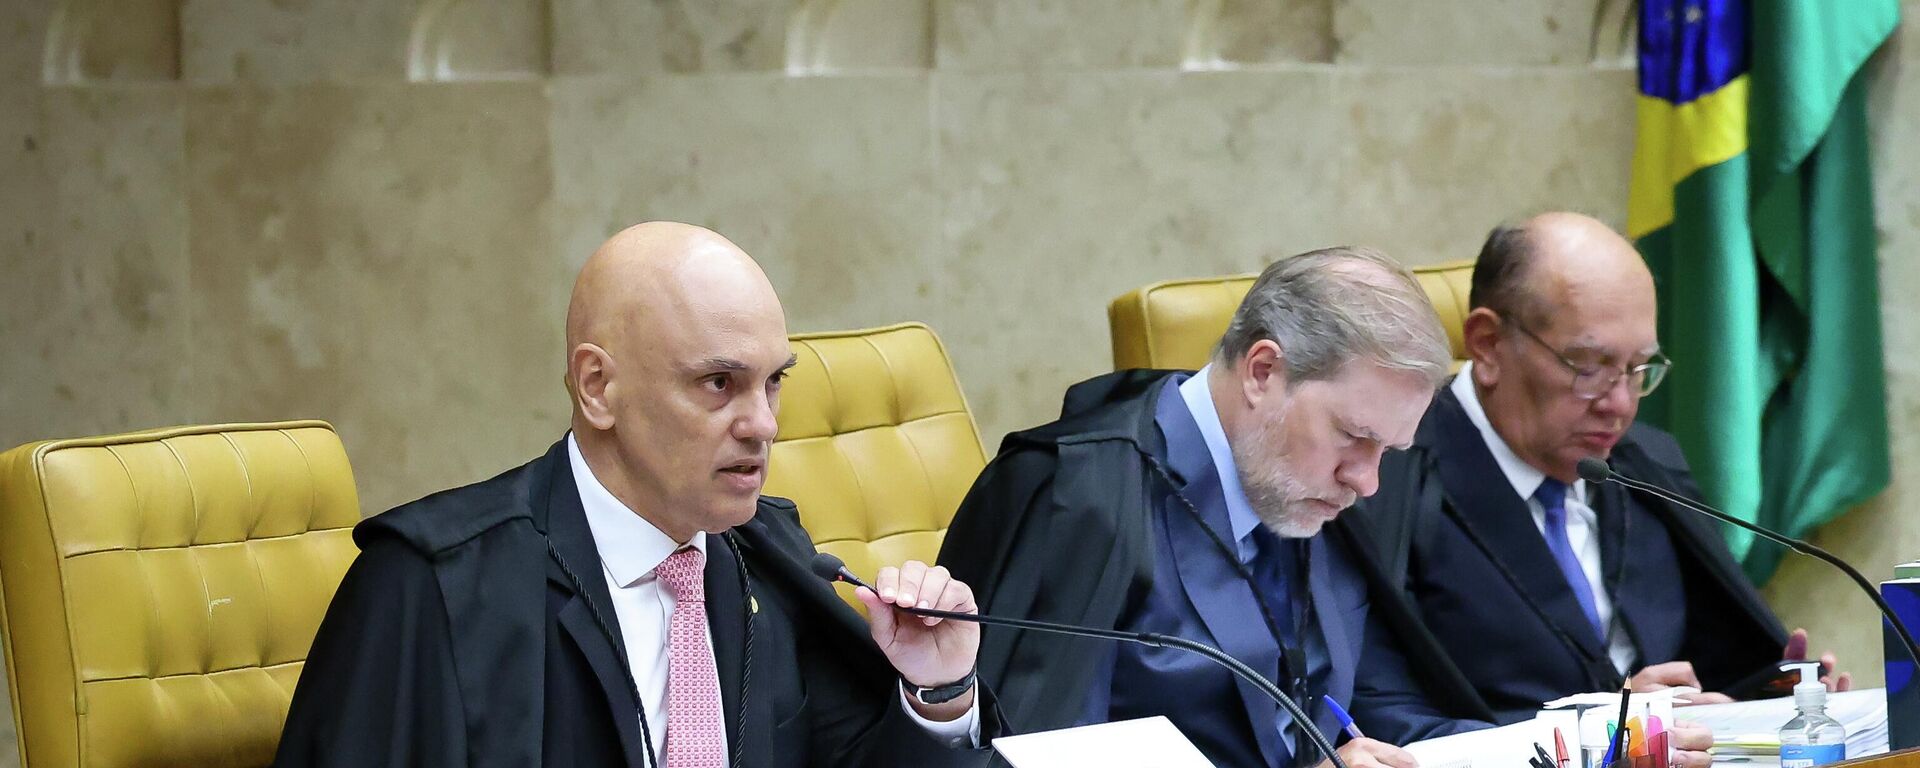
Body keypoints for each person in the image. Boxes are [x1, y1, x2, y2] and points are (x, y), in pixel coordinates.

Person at [277, 222, 1003, 767]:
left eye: (773, 382)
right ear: (598, 387)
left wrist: (938, 695)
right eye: (718, 383)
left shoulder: (769, 558)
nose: (762, 424)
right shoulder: (432, 586)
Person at [940, 247, 1491, 768]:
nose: (1367, 481)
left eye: (1388, 450)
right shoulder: (1079, 494)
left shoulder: (1317, 488)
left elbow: (1373, 705)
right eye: (1352, 434)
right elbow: (1035, 752)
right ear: (1262, 371)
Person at [1348, 212, 1849, 747]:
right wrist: (1601, 729)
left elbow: (1710, 666)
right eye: (1588, 368)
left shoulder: (1644, 466)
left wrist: (1774, 696)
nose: (1620, 404)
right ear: (1488, 344)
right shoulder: (1382, 483)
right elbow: (1387, 727)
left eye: (1638, 370)